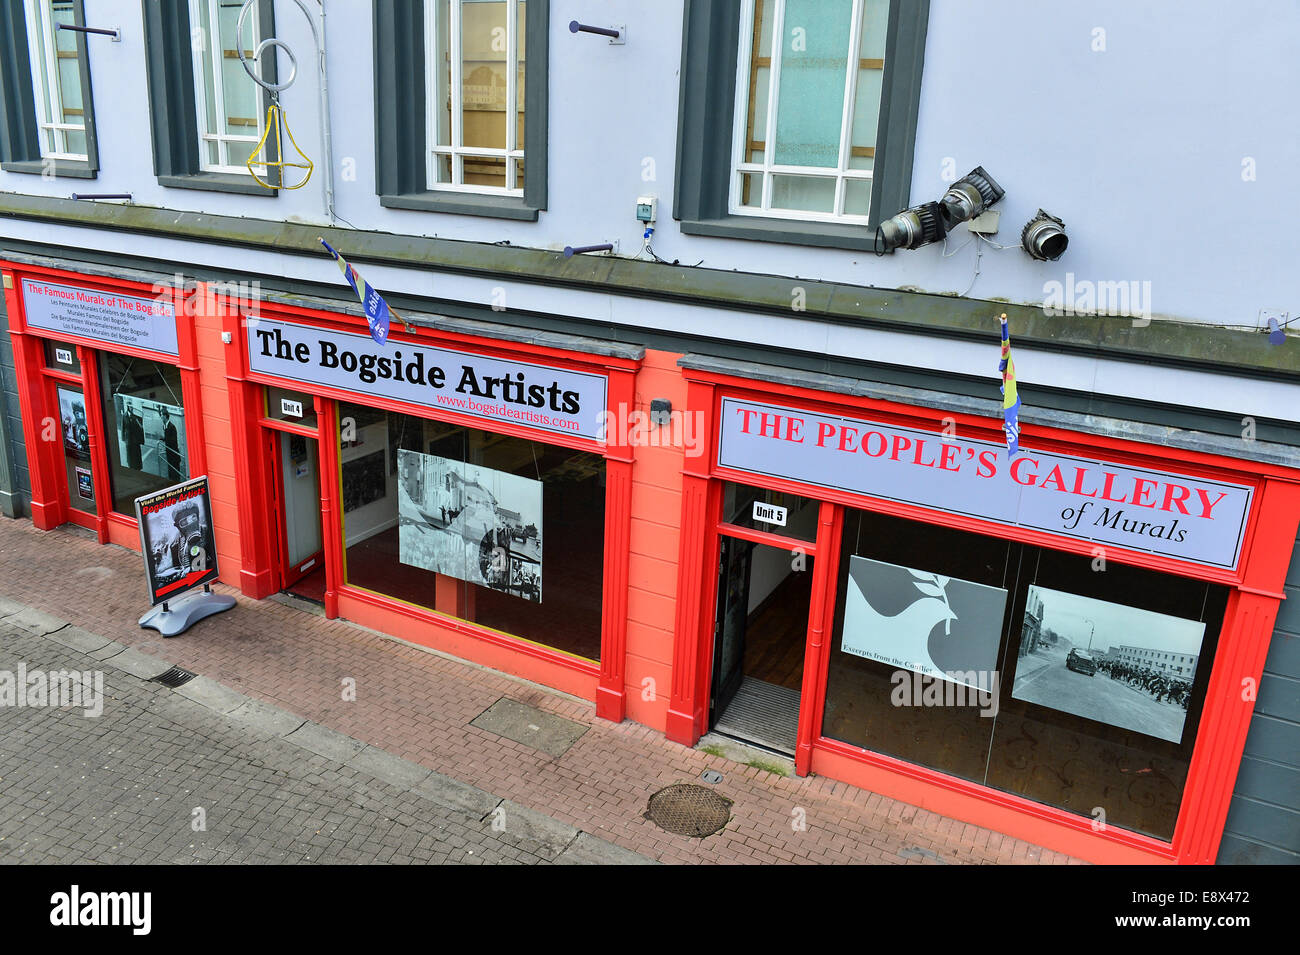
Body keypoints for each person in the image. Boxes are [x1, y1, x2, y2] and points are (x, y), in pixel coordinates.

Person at [161, 407, 181, 482]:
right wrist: (162, 438)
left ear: (165, 416)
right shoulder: (164, 426)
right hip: (169, 452)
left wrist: (164, 438)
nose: (161, 417)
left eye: (161, 415)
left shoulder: (172, 427)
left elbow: (173, 440)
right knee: (170, 470)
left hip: (173, 453)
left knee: (175, 471)